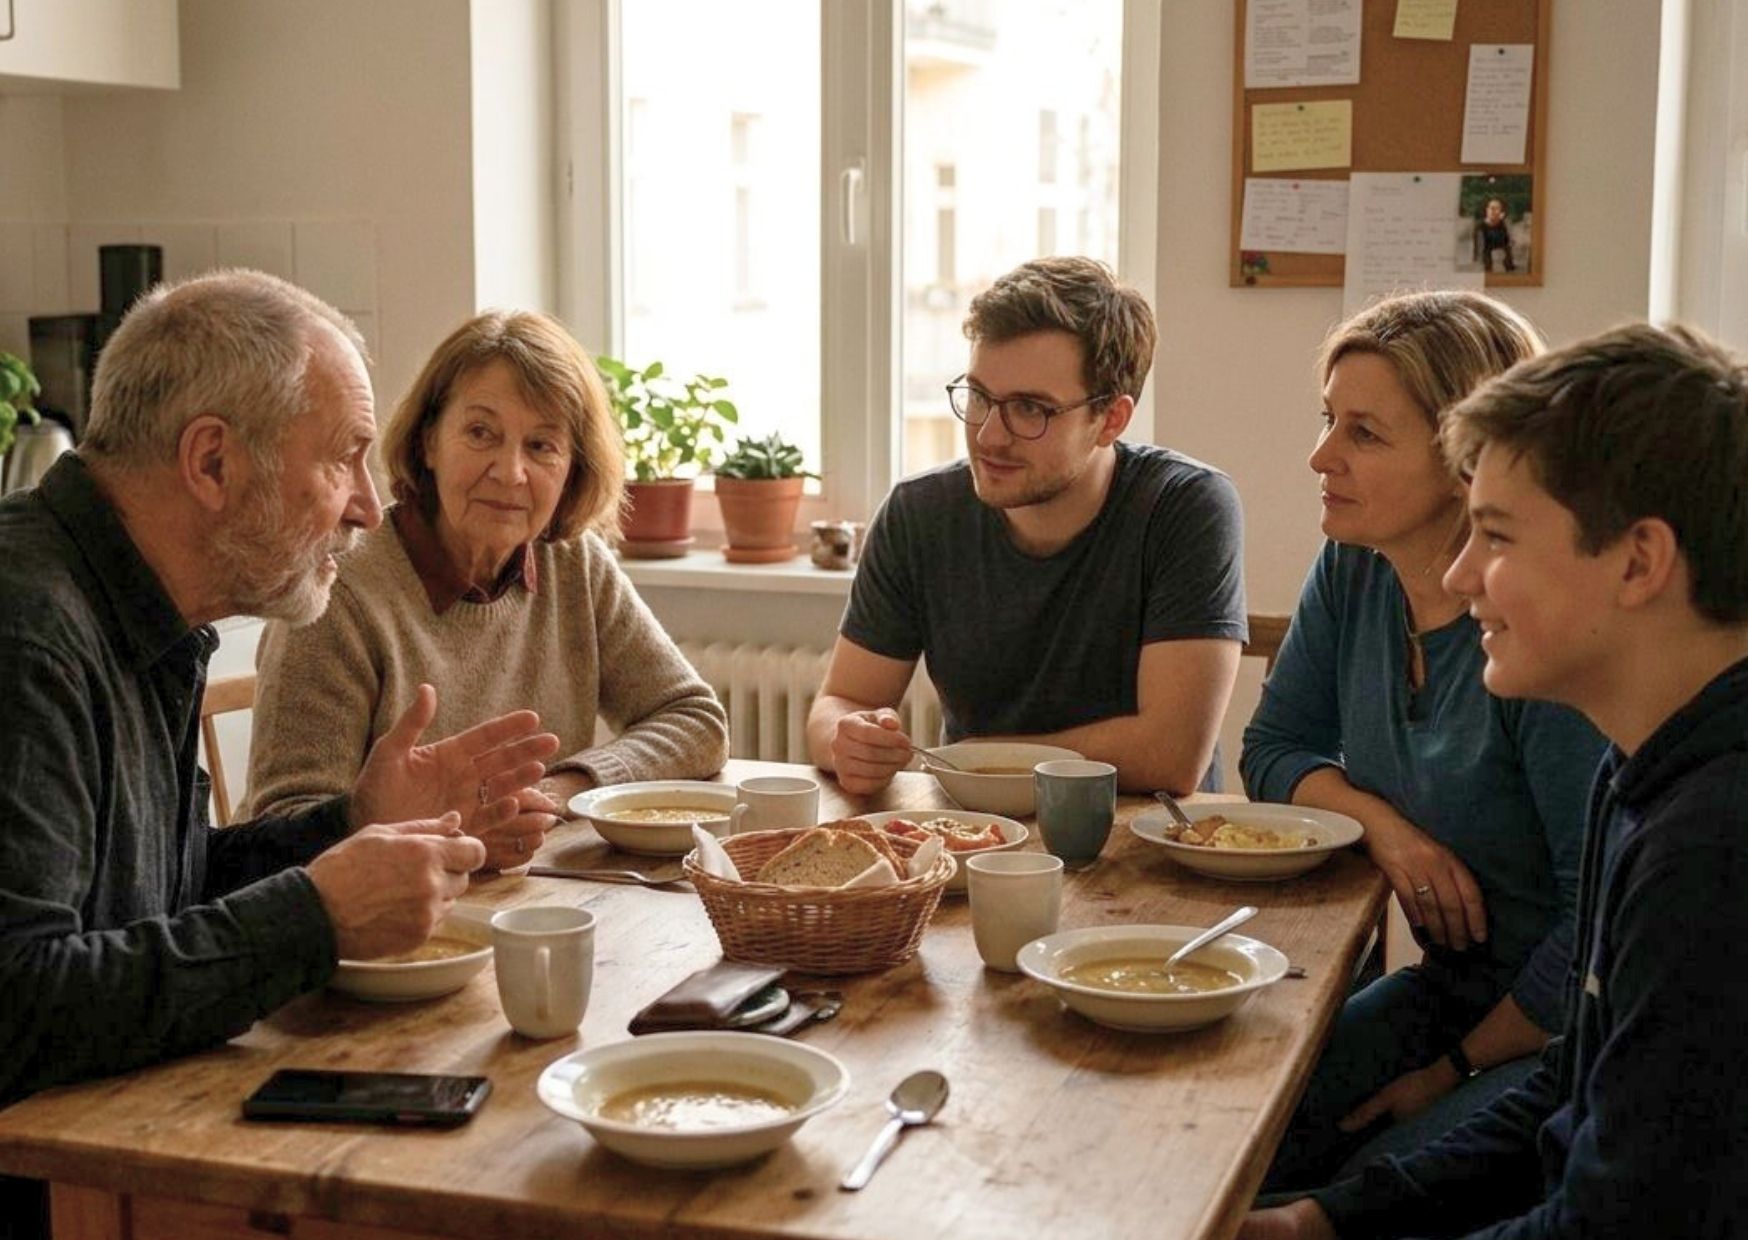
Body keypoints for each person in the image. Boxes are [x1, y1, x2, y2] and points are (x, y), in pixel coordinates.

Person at [0, 271, 558, 1235]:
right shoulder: (28, 632)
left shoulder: (142, 609)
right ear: (212, 463)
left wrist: (349, 827)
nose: (370, 509)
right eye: (345, 459)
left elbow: (150, 895)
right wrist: (315, 916)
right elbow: (20, 1007)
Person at [1243, 322, 1748, 1239]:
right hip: (1471, 1004)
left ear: (1640, 561)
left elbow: (1606, 1220)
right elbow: (1573, 1090)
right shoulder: (1642, 768)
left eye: (1497, 535)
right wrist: (1324, 1222)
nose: (1465, 574)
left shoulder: (1711, 850)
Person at [1243, 291, 1607, 1191]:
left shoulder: (1531, 628)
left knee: (1343, 1200)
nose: (1320, 456)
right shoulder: (1354, 566)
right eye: (1329, 420)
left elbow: (1593, 933)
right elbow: (1273, 748)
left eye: (1364, 433)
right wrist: (1384, 828)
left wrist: (1451, 1073)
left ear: (1465, 460)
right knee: (1233, 1124)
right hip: (1448, 992)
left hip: (1556, 1036)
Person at [244, 310, 727, 834]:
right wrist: (461, 825)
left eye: (541, 445)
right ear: (429, 441)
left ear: (573, 468)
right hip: (390, 907)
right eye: (480, 433)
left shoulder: (573, 562)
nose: (510, 472)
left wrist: (564, 791)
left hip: (535, 897)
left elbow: (695, 719)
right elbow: (284, 828)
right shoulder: (339, 588)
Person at [806, 257, 1247, 796]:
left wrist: (988, 758)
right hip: (977, 832)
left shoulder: (1185, 507)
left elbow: (1171, 755)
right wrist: (847, 739)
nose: (989, 435)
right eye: (979, 397)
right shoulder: (918, 513)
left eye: (1030, 409)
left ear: (1111, 419)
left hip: (1149, 839)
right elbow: (840, 702)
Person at [1474, 198, 1516, 274]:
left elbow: (1508, 243)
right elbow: (1480, 249)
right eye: (1491, 208)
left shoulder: (1503, 224)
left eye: (1497, 208)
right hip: (1487, 260)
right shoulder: (1480, 226)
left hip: (1502, 261)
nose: (1493, 211)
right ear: (1487, 210)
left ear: (1501, 212)